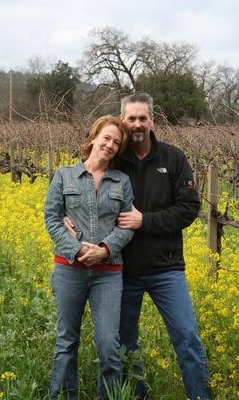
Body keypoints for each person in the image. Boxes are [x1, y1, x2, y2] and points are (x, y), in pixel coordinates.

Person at [65, 93, 212, 400]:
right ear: (123, 120)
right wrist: (65, 213)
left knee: (187, 337)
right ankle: (137, 394)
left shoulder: (173, 158)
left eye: (142, 118)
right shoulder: (114, 159)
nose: (136, 124)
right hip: (123, 270)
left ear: (152, 121)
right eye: (130, 118)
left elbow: (188, 208)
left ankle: (201, 396)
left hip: (166, 267)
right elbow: (79, 182)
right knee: (125, 344)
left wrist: (144, 220)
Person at [44, 115, 134, 400]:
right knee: (67, 340)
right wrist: (79, 249)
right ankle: (62, 396)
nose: (109, 145)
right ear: (94, 137)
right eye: (106, 138)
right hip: (69, 268)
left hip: (108, 273)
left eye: (116, 143)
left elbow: (127, 224)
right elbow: (52, 219)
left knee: (109, 343)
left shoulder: (122, 181)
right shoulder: (64, 176)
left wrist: (105, 249)